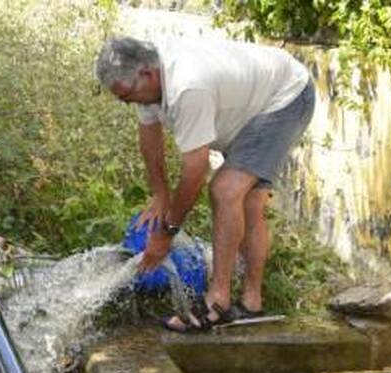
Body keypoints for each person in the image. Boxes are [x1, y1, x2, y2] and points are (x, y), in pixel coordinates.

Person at [95, 35, 315, 331]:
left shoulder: (187, 86)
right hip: (252, 104)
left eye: (126, 95)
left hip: (284, 97)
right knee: (248, 202)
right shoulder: (148, 79)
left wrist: (167, 233)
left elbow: (195, 172)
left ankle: (218, 302)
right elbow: (149, 139)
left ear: (146, 74)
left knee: (225, 190)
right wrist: (160, 196)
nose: (127, 102)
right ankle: (252, 304)